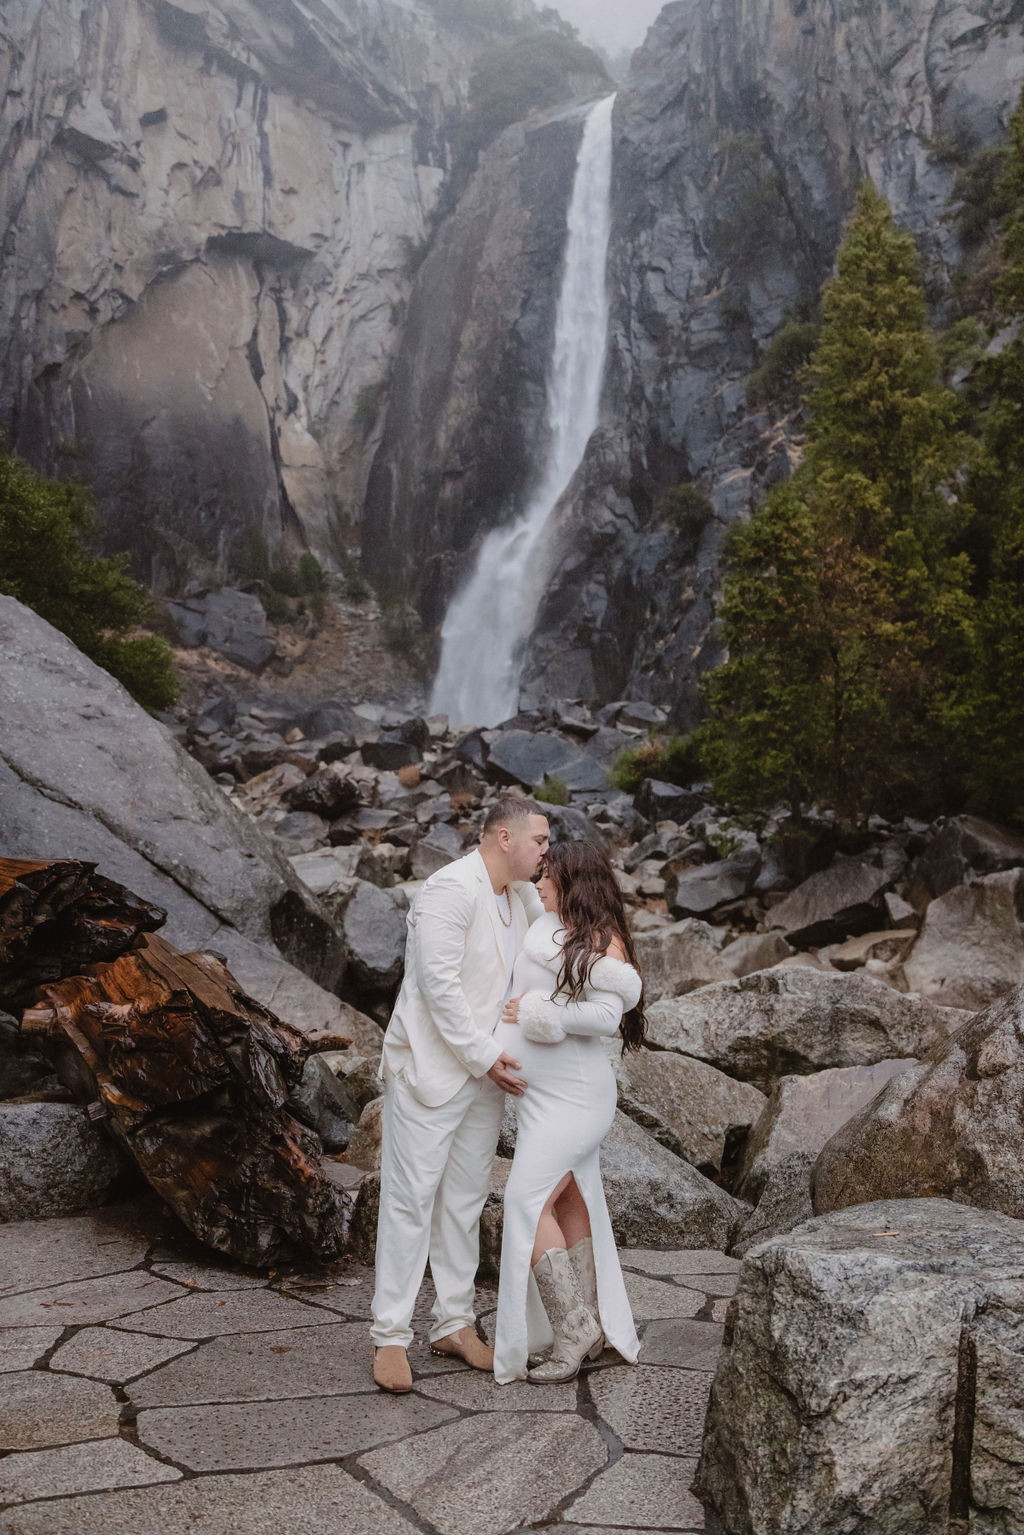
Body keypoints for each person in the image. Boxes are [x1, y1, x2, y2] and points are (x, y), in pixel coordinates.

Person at [370, 794, 550, 1393]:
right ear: (505, 838)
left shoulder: (521, 898)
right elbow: (437, 985)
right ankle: (390, 1336)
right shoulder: (450, 889)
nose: (547, 851)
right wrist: (484, 1056)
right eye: (540, 841)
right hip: (433, 1069)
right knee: (409, 1199)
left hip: (485, 1075)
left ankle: (452, 1322)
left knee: (465, 1200)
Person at [491, 838, 647, 1385]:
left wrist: (539, 1010)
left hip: (577, 1096)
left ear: (572, 881)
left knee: (526, 1204)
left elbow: (607, 1016)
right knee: (573, 1198)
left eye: (546, 875)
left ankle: (574, 1328)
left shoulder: (603, 942)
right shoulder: (543, 922)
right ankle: (592, 1327)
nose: (536, 883)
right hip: (541, 1096)